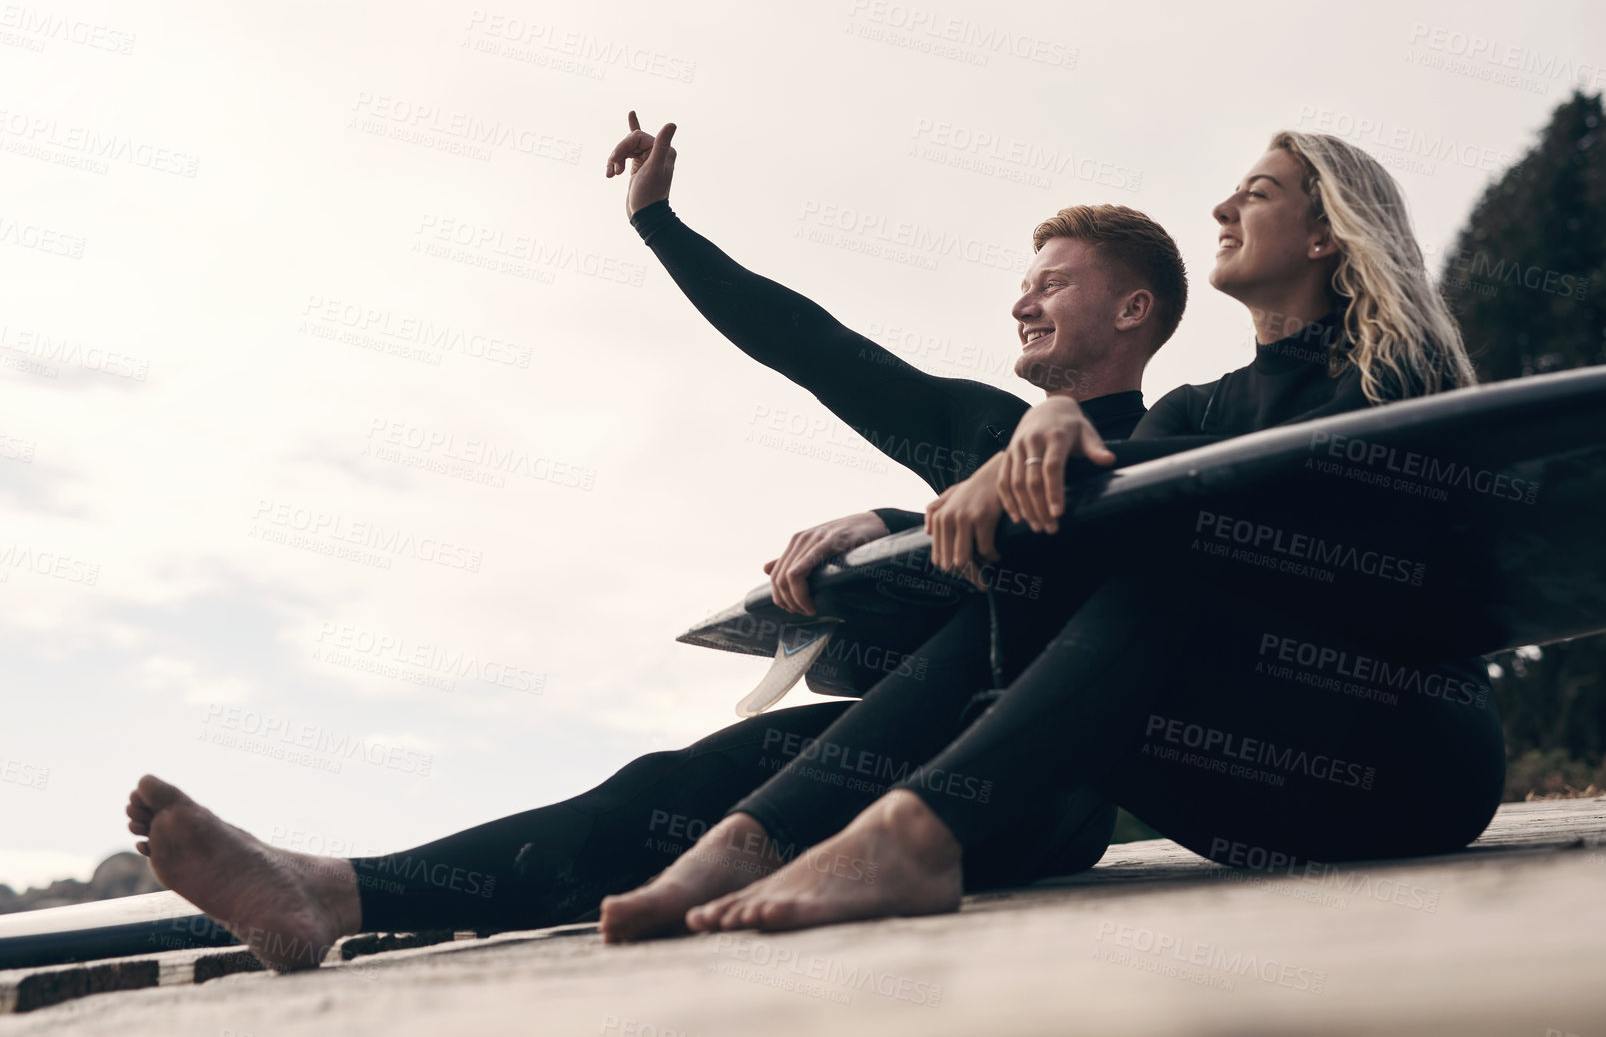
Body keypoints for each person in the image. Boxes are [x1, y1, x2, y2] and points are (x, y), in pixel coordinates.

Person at [119, 117, 1195, 968]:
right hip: (904, 741)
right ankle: (332, 892)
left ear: (1134, 309)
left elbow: (1092, 574)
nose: (1021, 300)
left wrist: (902, 521)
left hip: (1041, 788)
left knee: (729, 796)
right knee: (663, 790)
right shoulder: (979, 429)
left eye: (1053, 281)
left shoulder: (1178, 442)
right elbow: (817, 348)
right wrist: (661, 225)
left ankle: (343, 889)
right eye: (1025, 280)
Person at [598, 122, 1506, 937]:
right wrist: (1029, 445)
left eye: (1257, 192)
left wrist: (1024, 459)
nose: (1221, 205)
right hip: (1252, 805)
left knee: (1148, 579)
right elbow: (845, 365)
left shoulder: (1399, 371)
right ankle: (762, 835)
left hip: (1407, 765)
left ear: (1324, 232)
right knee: (1066, 573)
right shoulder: (1196, 408)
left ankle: (900, 833)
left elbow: (1327, 552)